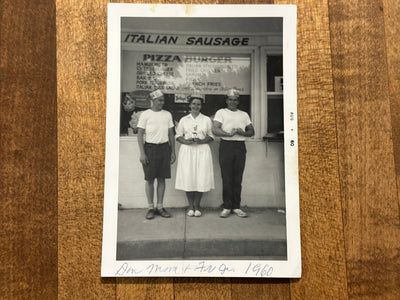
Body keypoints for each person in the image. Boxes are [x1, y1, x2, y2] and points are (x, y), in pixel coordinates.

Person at [212, 89, 254, 218]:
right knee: (227, 178)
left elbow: (252, 132)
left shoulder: (244, 114)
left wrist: (243, 133)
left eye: (235, 100)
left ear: (238, 101)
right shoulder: (221, 112)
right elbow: (215, 130)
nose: (232, 102)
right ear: (226, 100)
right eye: (230, 99)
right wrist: (228, 134)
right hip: (226, 146)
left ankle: (236, 207)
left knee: (237, 178)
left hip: (240, 146)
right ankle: (226, 207)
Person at [137, 89, 176, 219]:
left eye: (163, 100)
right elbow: (140, 134)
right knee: (149, 179)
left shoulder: (167, 114)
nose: (162, 102)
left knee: (162, 179)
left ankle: (160, 207)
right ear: (152, 101)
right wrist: (142, 153)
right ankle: (150, 207)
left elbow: (171, 134)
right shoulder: (145, 114)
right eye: (159, 100)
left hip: (164, 148)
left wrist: (173, 152)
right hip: (150, 149)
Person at [175, 95, 215, 217]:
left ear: (201, 106)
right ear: (190, 105)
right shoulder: (184, 119)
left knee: (200, 177)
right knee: (189, 177)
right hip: (187, 151)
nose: (196, 106)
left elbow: (211, 136)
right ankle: (190, 206)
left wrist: (202, 141)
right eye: (193, 104)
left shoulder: (206, 119)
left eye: (198, 104)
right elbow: (178, 136)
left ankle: (197, 206)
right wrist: (186, 141)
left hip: (202, 150)